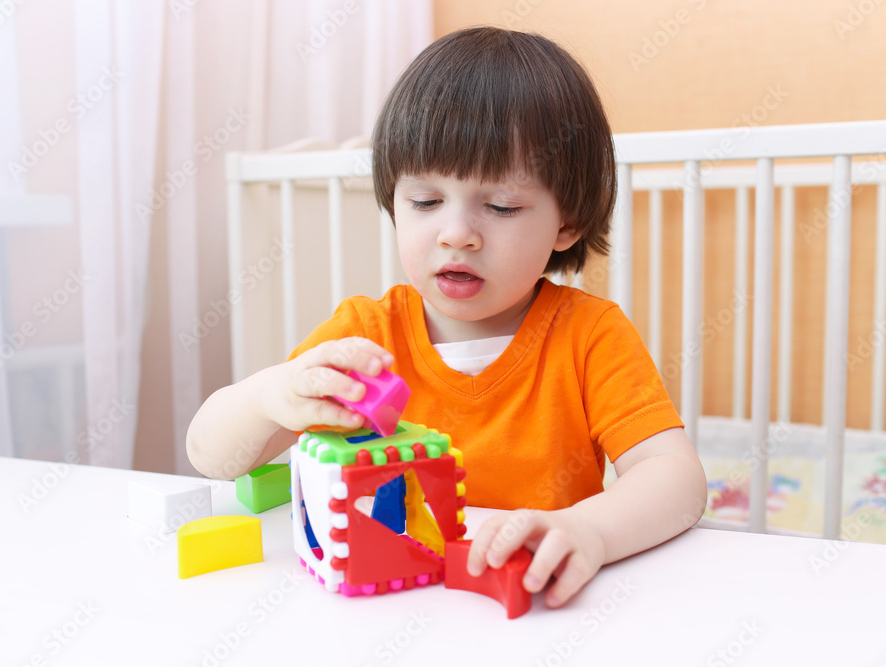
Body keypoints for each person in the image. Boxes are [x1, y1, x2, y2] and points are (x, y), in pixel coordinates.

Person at [187, 26, 706, 608]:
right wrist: (270, 396)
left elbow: (676, 478)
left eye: (501, 206)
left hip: (532, 609)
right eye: (426, 202)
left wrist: (590, 530)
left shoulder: (590, 336)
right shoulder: (365, 337)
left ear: (567, 223)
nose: (457, 233)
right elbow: (211, 456)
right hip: (390, 604)